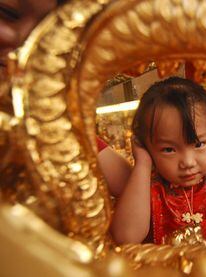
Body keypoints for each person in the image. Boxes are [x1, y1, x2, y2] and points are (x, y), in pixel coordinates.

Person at [0, 0, 131, 197]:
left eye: (49, 30)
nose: (27, 43)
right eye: (7, 13)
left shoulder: (50, 133)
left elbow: (129, 184)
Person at [111, 77, 206, 245]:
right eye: (169, 149)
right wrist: (142, 164)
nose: (188, 162)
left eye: (199, 144)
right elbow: (126, 236)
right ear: (146, 147)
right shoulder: (148, 185)